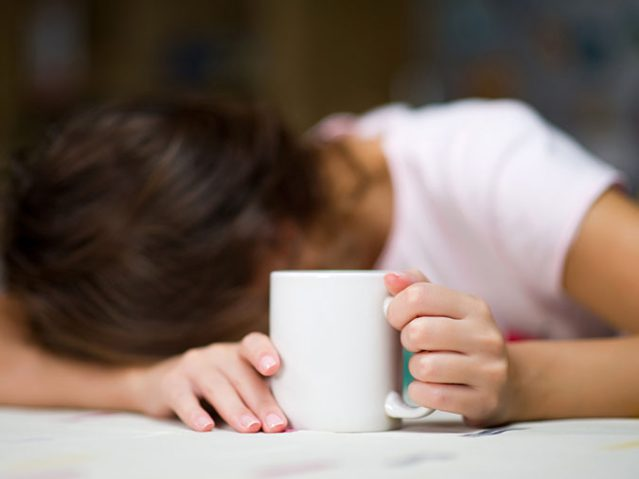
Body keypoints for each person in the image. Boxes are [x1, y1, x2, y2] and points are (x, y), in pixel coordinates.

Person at [1, 98, 638, 434]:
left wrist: (520, 383)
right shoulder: (187, 239)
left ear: (276, 245)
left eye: (240, 320)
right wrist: (145, 382)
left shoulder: (490, 168)